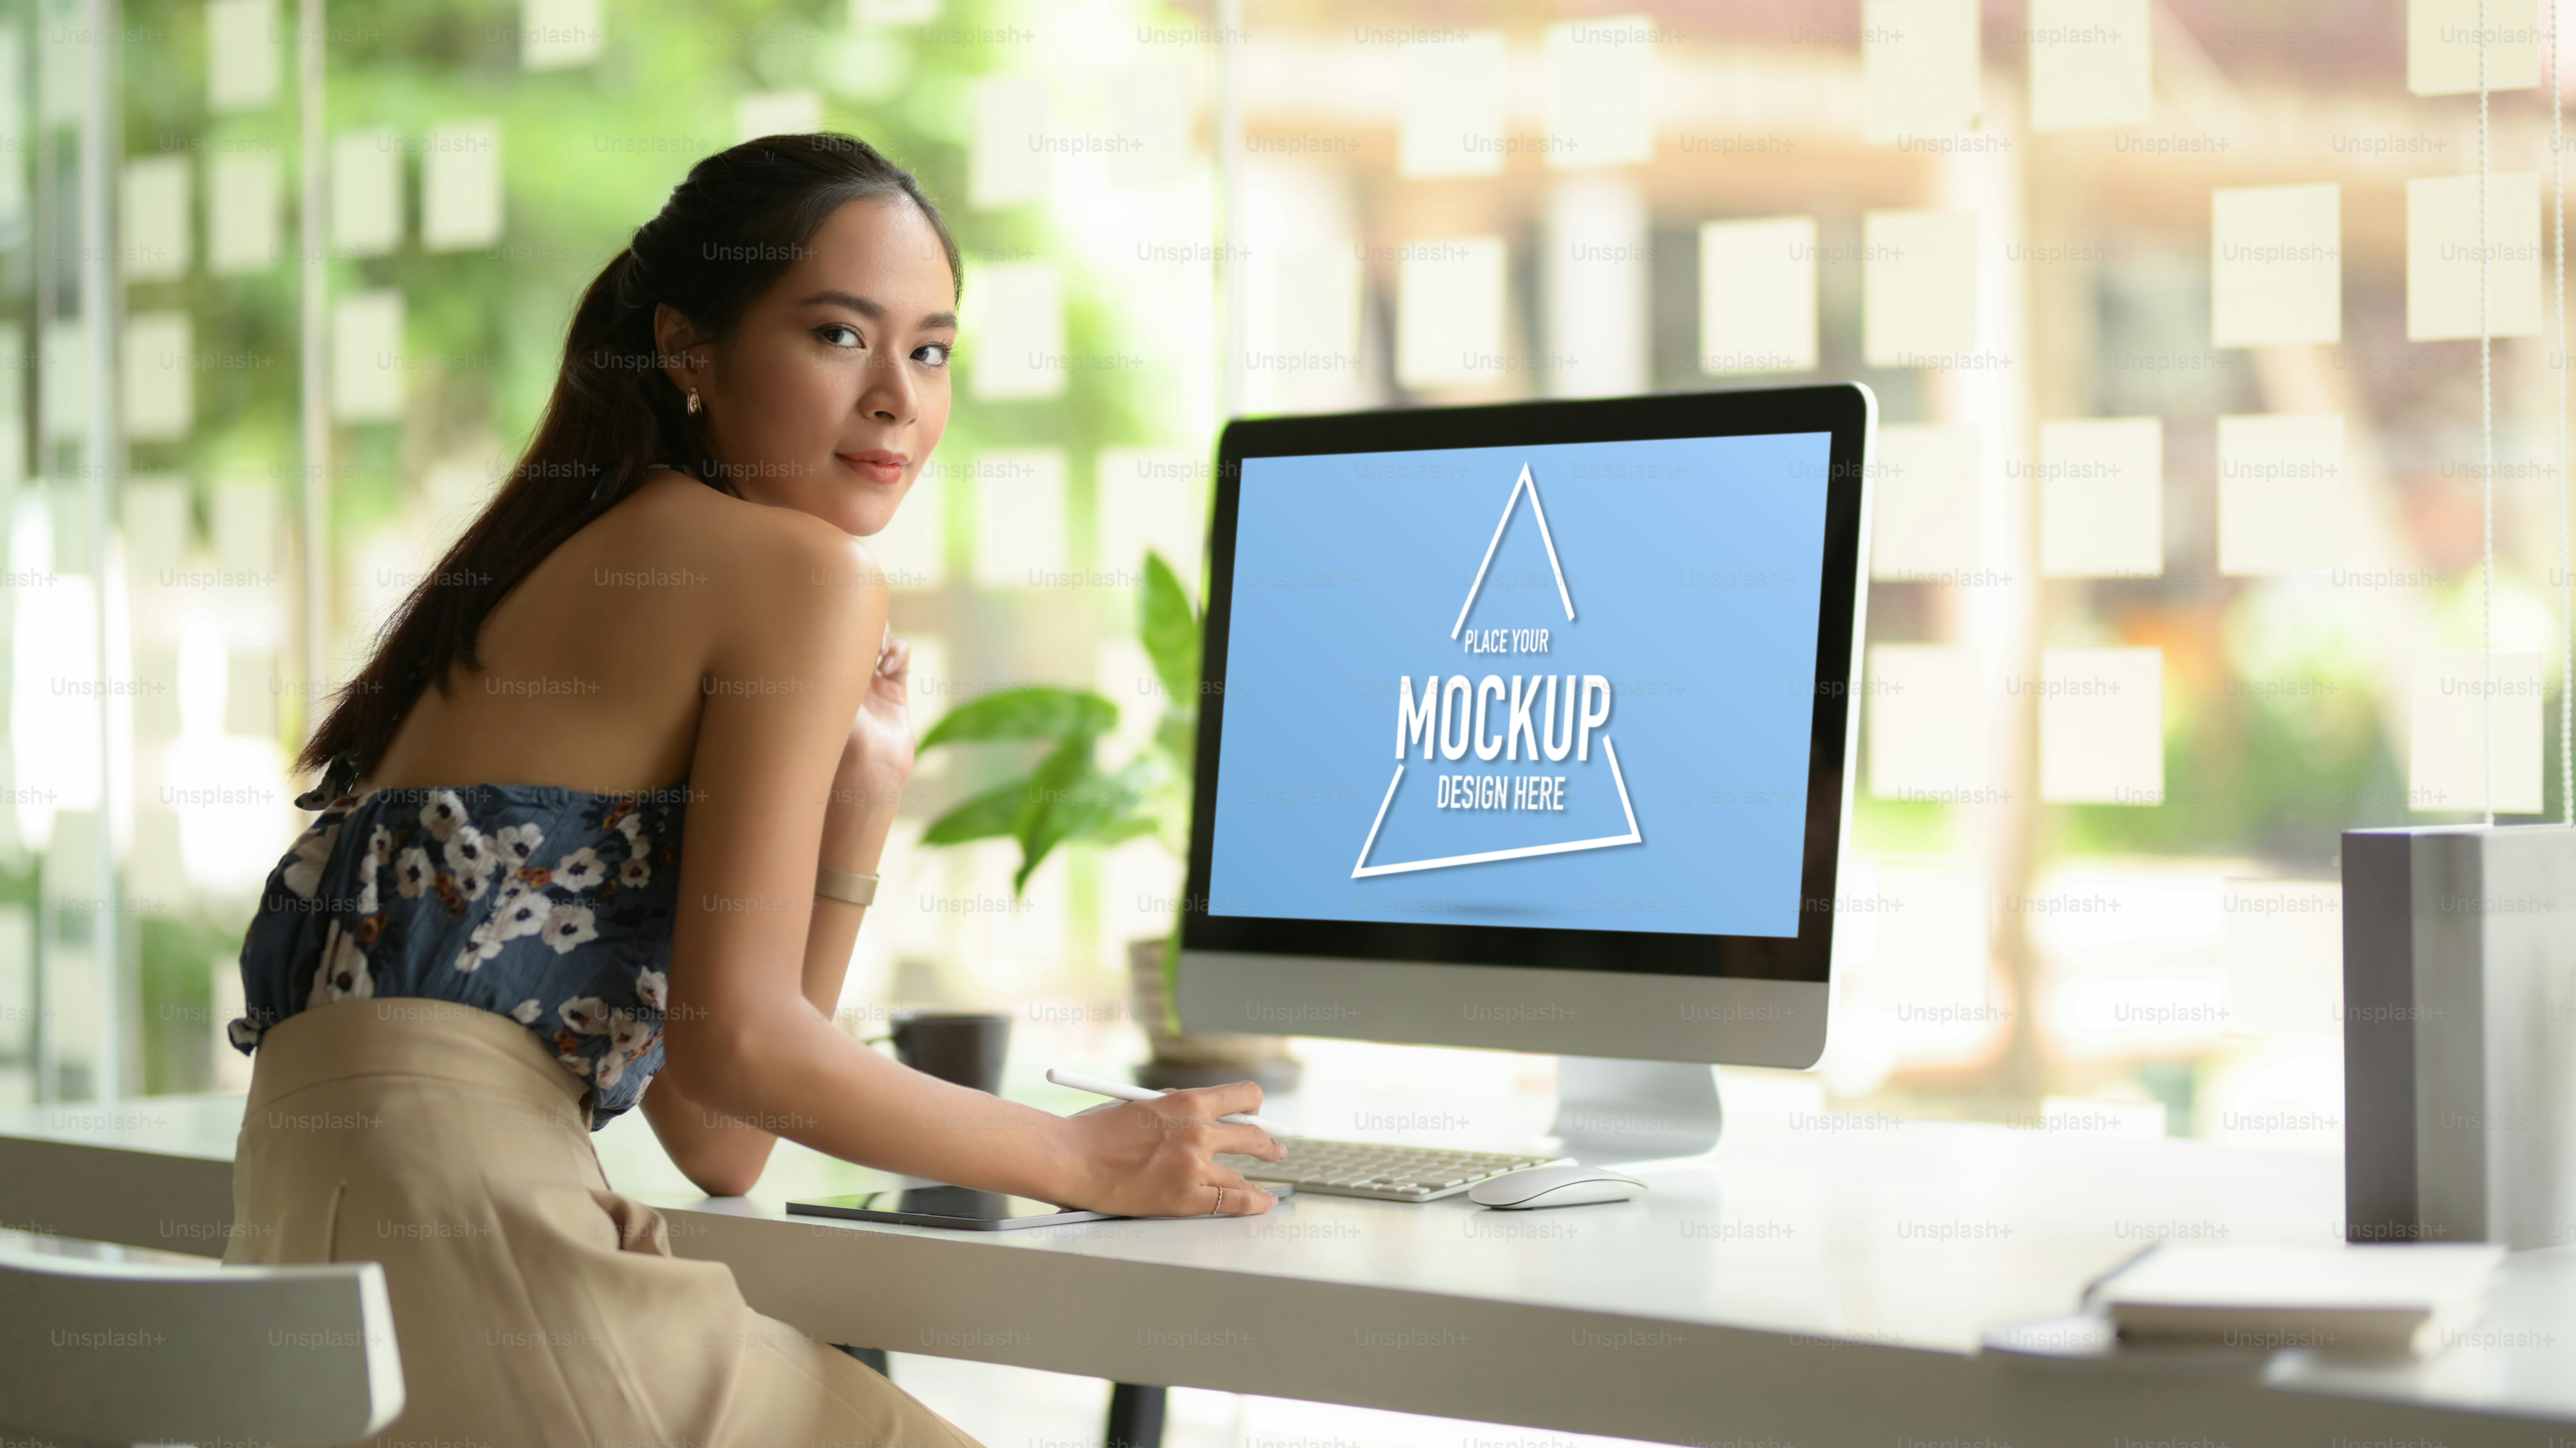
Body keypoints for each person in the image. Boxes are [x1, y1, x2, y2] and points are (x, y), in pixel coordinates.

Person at [220, 132, 1283, 1447]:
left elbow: (719, 1135)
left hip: (316, 1277)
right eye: (841, 335)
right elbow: (745, 1053)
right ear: (688, 348)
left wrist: (862, 797)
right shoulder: (800, 573)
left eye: (933, 348)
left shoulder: (552, 563)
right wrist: (1083, 1152)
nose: (899, 397)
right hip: (487, 1258)